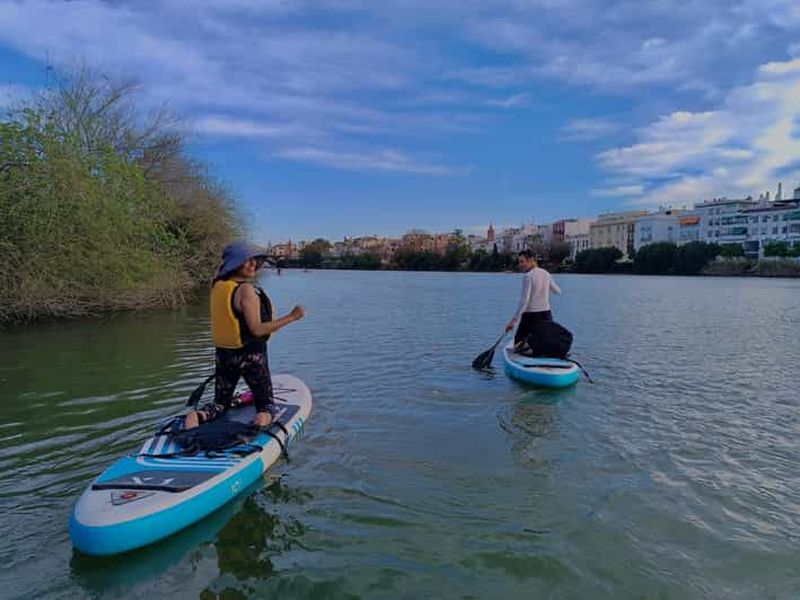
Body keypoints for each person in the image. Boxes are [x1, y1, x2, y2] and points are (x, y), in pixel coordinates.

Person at [185, 241, 305, 429]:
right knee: (266, 406)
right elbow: (257, 329)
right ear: (235, 263)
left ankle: (198, 416)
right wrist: (292, 317)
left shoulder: (217, 285)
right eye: (247, 261)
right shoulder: (245, 290)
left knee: (220, 404)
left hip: (224, 355)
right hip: (251, 356)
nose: (253, 265)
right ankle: (259, 425)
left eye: (256, 261)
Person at [505, 249, 561, 348]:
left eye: (522, 261)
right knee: (543, 342)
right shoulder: (545, 273)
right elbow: (558, 292)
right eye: (519, 261)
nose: (520, 264)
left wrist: (514, 320)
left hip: (531, 317)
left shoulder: (527, 276)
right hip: (546, 315)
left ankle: (527, 349)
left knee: (517, 345)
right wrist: (543, 287)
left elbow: (524, 301)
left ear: (531, 260)